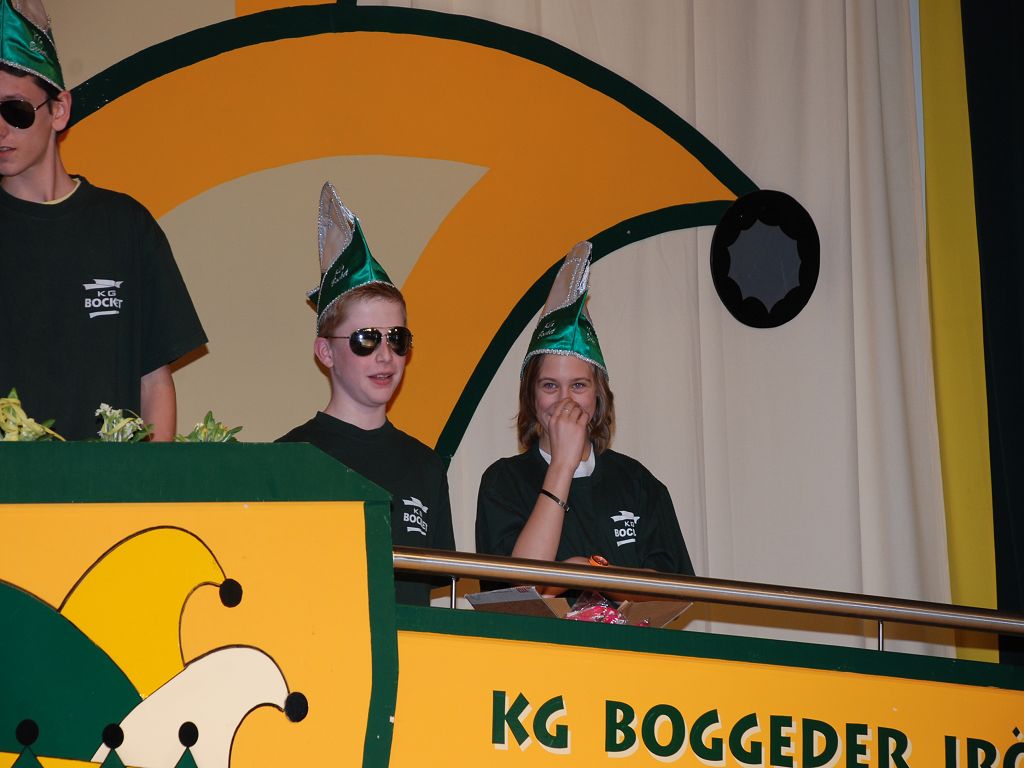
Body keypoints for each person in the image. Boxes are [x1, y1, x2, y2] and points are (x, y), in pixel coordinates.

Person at [0, 0, 206, 440]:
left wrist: (153, 479)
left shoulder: (126, 225)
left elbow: (154, 382)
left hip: (110, 482)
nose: (0, 130)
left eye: (15, 111)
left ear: (59, 109)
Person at [278, 181, 455, 607]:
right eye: (365, 339)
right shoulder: (289, 458)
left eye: (397, 338)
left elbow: (436, 592)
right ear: (326, 352)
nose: (385, 355)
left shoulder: (426, 466)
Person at [476, 242, 694, 579]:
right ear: (531, 396)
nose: (565, 401)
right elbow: (520, 585)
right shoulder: (503, 482)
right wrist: (562, 464)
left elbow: (671, 592)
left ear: (598, 394)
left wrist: (585, 570)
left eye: (578, 386)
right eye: (550, 386)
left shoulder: (638, 484)